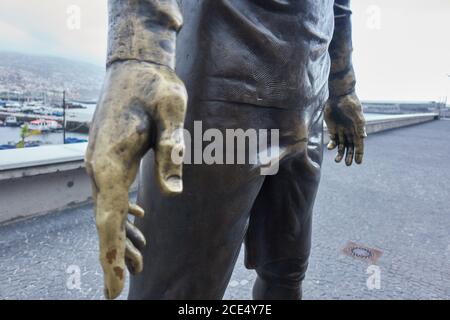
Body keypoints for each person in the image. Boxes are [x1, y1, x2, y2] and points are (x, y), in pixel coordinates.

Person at [85, 0, 366, 300]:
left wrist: (342, 86)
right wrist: (138, 55)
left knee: (286, 272)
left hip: (307, 98)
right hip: (221, 83)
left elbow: (338, 4)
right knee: (177, 293)